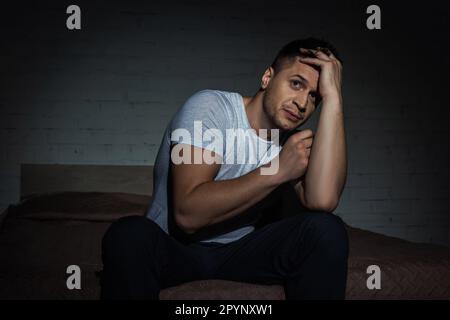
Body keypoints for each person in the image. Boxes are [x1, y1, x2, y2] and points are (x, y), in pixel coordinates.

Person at [101, 37, 349, 300]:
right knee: (128, 235)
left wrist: (334, 97)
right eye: (296, 84)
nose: (302, 104)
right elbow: (188, 215)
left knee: (325, 229)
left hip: (238, 253)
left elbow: (323, 200)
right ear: (267, 77)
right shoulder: (209, 108)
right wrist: (276, 171)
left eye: (314, 97)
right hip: (175, 248)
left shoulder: (291, 144)